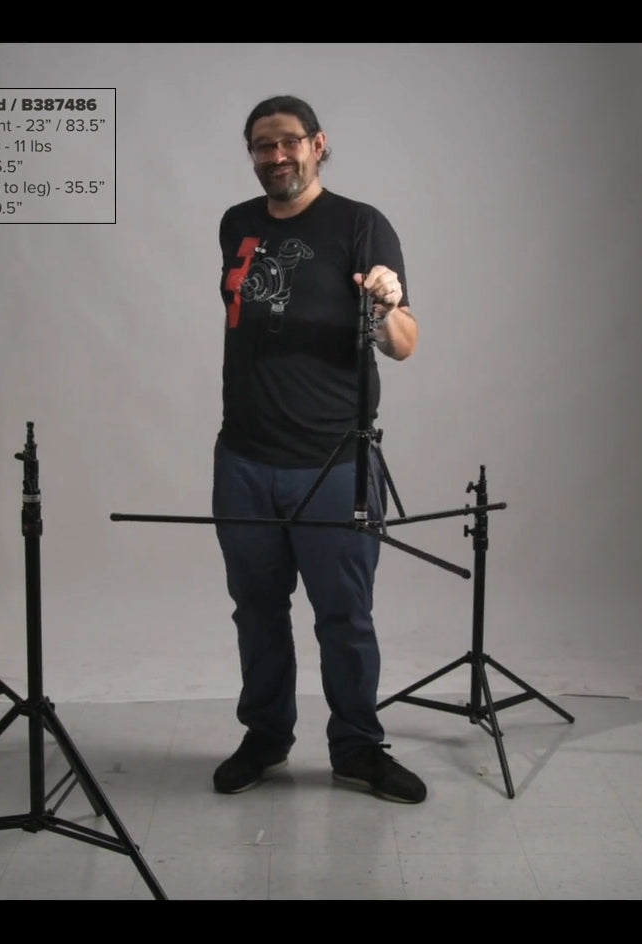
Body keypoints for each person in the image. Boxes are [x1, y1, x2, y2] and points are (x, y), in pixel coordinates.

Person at [209, 94, 426, 804]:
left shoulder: (360, 225)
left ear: (318, 144)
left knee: (343, 615)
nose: (276, 156)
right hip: (243, 457)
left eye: (289, 142)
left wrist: (385, 304)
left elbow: (403, 345)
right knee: (256, 610)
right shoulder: (236, 224)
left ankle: (357, 748)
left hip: (335, 461)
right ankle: (265, 736)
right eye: (262, 145)